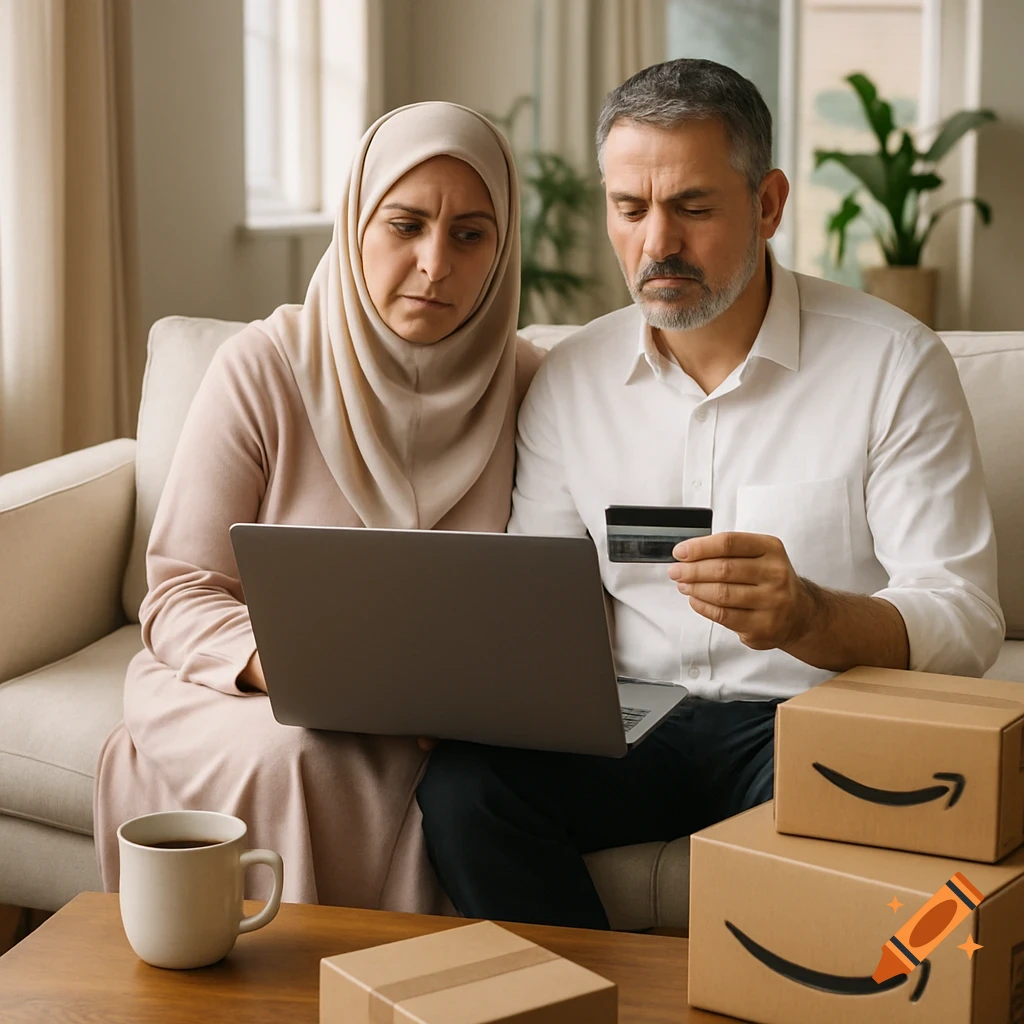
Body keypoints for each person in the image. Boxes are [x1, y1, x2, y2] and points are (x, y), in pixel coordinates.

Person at [415, 59, 1005, 929]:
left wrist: (811, 616)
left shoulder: (893, 364)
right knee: (468, 789)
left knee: (865, 795)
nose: (658, 244)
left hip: (808, 717)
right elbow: (541, 602)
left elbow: (965, 619)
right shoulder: (569, 380)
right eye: (629, 209)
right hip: (630, 719)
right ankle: (577, 1000)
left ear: (768, 204)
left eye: (692, 207)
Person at [94, 101, 542, 910]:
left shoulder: (533, 387)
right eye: (404, 225)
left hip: (439, 718)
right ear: (355, 221)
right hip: (249, 685)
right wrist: (310, 673)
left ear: (502, 249)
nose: (435, 262)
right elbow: (181, 592)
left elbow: (560, 598)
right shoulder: (263, 367)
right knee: (298, 754)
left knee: (436, 778)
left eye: (470, 235)